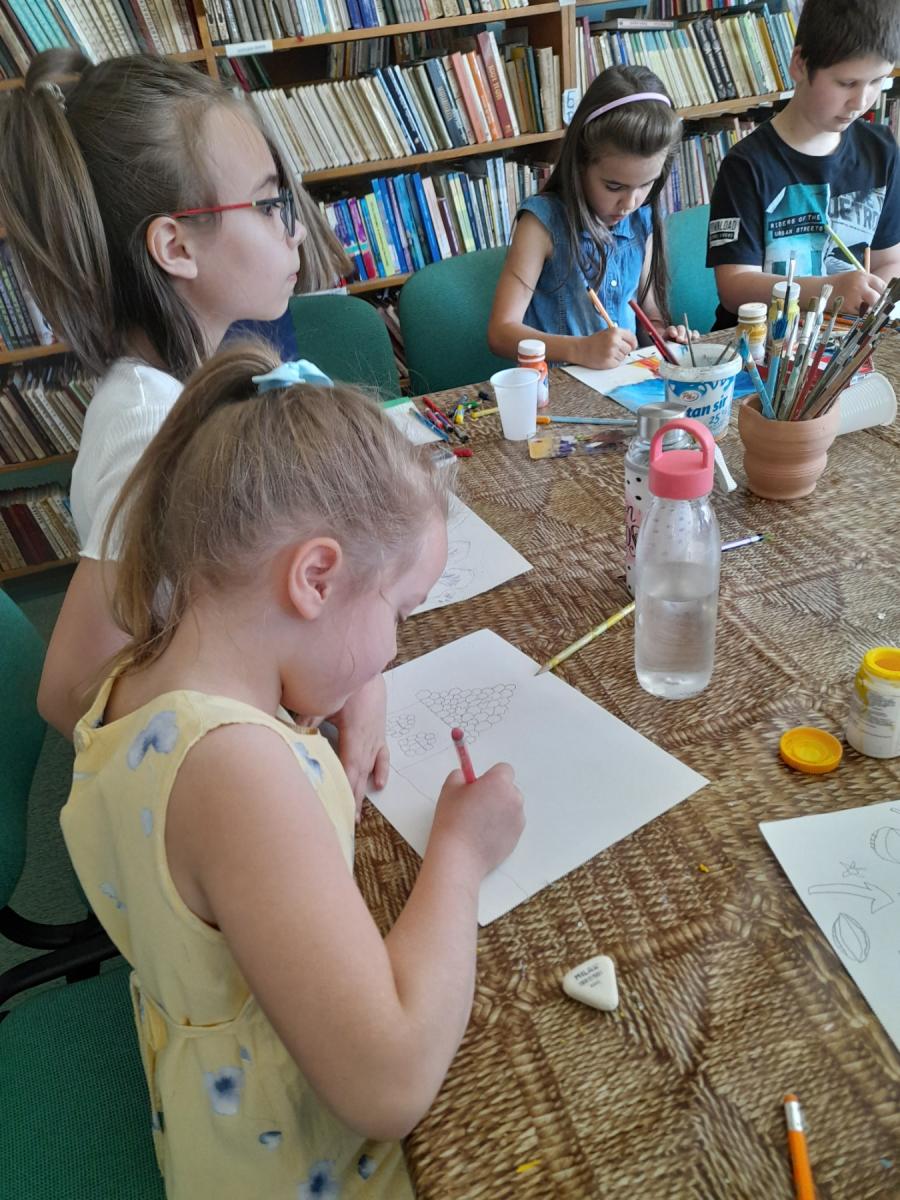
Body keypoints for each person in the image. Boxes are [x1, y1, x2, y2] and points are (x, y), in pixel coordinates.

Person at [59, 341, 525, 1199]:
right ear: (315, 577)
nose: (392, 649)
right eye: (399, 612)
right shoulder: (234, 771)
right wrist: (461, 852)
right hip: (287, 1157)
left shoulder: (140, 677)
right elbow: (390, 1084)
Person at [0, 51, 394, 804]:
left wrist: (355, 676)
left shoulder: (194, 383)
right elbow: (73, 693)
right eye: (270, 204)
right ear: (175, 247)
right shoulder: (150, 429)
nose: (296, 232)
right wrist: (284, 705)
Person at [488, 65, 696, 371]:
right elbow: (500, 332)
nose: (629, 203)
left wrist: (663, 337)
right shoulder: (541, 223)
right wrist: (579, 349)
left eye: (646, 185)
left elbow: (648, 314)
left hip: (623, 384)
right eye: (614, 186)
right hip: (559, 389)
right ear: (581, 163)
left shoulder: (642, 218)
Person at [707, 0, 900, 328]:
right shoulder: (747, 164)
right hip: (760, 345)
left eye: (877, 81)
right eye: (846, 83)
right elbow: (734, 287)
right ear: (799, 64)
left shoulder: (881, 150)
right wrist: (828, 291)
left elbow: (889, 261)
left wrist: (873, 298)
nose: (861, 101)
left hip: (844, 340)